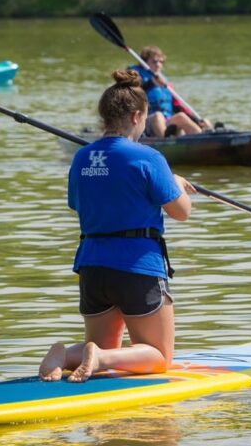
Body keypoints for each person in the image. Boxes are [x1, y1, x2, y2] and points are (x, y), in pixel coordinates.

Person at [39, 69, 196, 383]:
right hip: (137, 265)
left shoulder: (82, 158)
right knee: (159, 357)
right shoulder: (149, 157)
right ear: (137, 116)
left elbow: (76, 204)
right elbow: (181, 212)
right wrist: (176, 184)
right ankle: (99, 358)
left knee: (101, 341)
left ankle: (67, 355)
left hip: (92, 265)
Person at [129, 46, 212, 137]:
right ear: (144, 62)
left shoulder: (164, 81)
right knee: (158, 115)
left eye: (161, 61)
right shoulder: (135, 75)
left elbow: (177, 106)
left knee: (182, 116)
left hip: (167, 121)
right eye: (154, 61)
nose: (158, 64)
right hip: (145, 122)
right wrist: (151, 83)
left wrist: (196, 120)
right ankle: (166, 143)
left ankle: (205, 137)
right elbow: (132, 94)